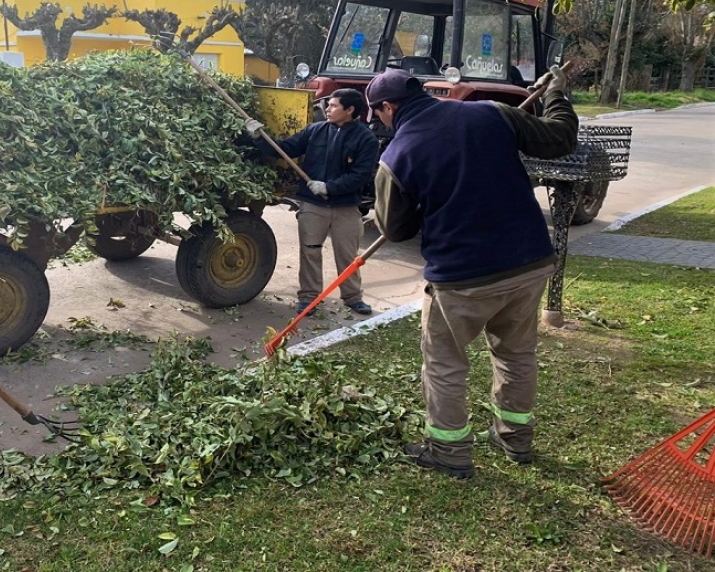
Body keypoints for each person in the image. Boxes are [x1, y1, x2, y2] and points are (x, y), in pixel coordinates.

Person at [367, 66, 578, 479]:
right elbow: (560, 138)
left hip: (463, 278)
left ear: (388, 107)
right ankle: (514, 438)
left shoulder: (398, 154)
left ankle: (448, 451)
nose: (379, 121)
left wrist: (414, 200)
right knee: (516, 354)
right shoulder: (491, 112)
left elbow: (396, 229)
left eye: (378, 113)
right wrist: (557, 93)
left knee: (444, 361)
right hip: (528, 262)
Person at [246, 88, 379, 315]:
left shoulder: (366, 139)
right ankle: (309, 298)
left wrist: (329, 187)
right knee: (310, 252)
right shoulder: (315, 131)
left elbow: (361, 175)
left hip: (345, 207)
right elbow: (286, 149)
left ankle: (352, 297)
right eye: (329, 105)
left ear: (350, 110)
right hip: (313, 205)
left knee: (347, 255)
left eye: (334, 105)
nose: (327, 108)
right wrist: (261, 138)